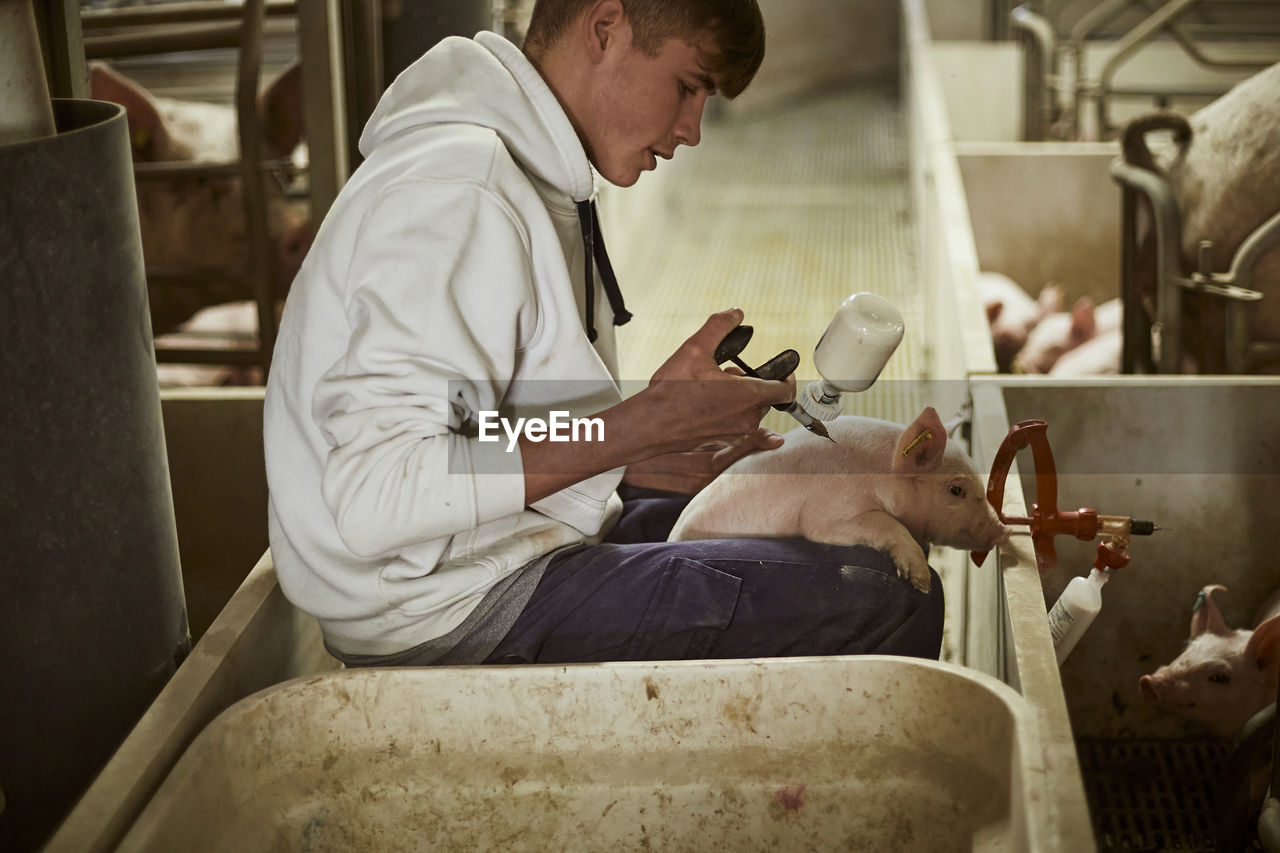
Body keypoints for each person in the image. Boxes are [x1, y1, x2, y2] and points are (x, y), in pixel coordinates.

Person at [263, 0, 944, 667]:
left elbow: (469, 428)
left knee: (832, 518)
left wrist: (636, 455)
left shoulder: (525, 171)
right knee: (886, 593)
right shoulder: (457, 192)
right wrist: (637, 426)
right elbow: (376, 490)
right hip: (447, 607)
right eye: (686, 87)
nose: (693, 130)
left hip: (493, 552)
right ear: (606, 28)